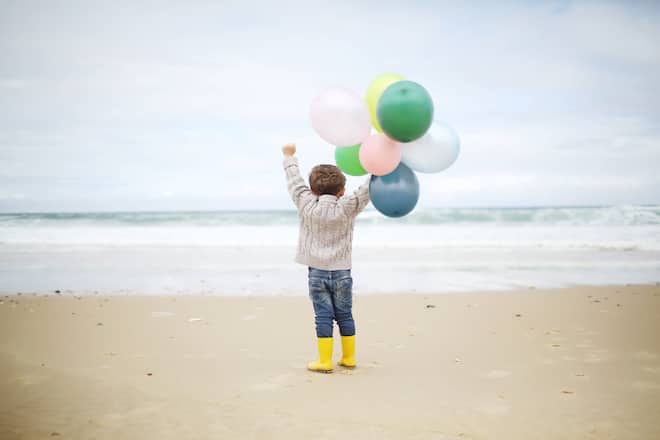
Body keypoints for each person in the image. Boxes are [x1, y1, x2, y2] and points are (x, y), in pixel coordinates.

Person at [282, 143, 370, 373]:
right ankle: (349, 358)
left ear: (312, 190)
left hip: (316, 272)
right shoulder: (347, 206)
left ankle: (324, 361)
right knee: (344, 313)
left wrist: (289, 156)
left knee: (323, 315)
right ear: (342, 190)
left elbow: (294, 182)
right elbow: (366, 190)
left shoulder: (305, 202)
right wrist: (378, 168)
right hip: (342, 272)